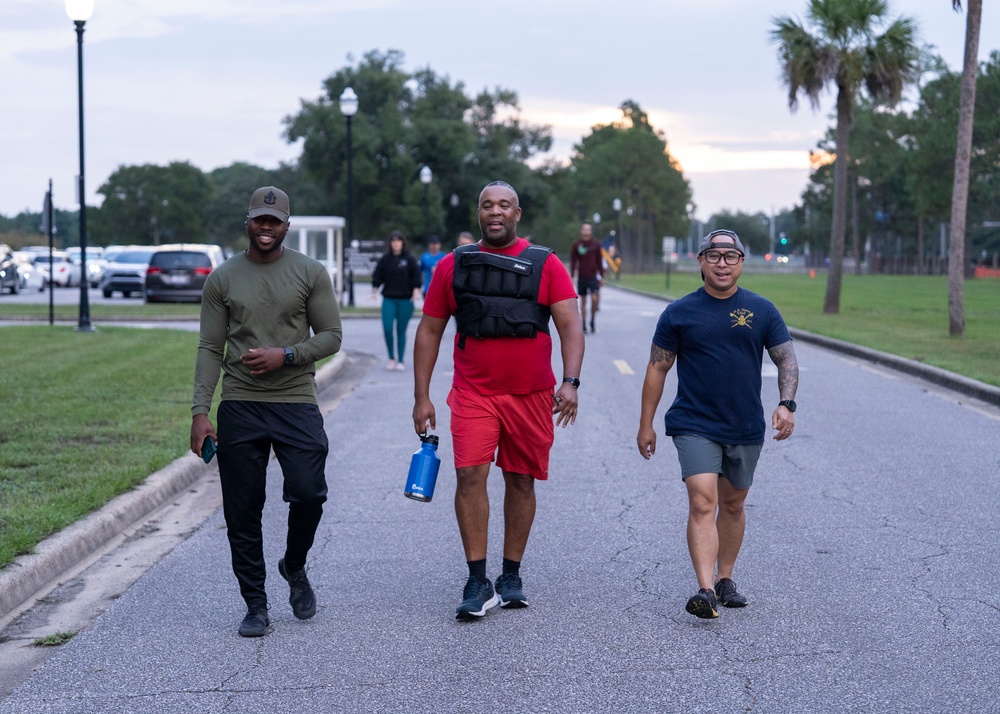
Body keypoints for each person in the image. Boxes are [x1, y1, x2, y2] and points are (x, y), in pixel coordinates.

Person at [412, 181, 585, 620]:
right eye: (487, 205)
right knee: (470, 475)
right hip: (473, 392)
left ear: (517, 213)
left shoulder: (546, 265)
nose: (495, 212)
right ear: (478, 213)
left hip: (532, 395)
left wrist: (571, 382)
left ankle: (511, 574)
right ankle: (476, 579)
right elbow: (430, 330)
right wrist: (422, 395)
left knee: (521, 481)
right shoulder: (452, 266)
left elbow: (570, 326)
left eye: (504, 205)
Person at [191, 186, 343, 637]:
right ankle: (255, 604)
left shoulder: (309, 272)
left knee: (309, 491)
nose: (266, 227)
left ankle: (293, 564)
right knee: (242, 510)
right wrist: (201, 411)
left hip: (295, 399)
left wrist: (288, 355)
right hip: (240, 403)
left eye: (274, 221)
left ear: (286, 225)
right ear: (248, 222)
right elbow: (209, 347)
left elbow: (331, 335)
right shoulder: (222, 278)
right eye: (259, 219)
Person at [635, 229, 798, 620]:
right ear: (701, 262)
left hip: (744, 424)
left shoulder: (762, 309)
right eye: (713, 256)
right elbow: (658, 367)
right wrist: (646, 424)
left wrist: (786, 403)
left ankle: (726, 580)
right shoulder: (679, 312)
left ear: (741, 262)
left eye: (730, 256)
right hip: (693, 422)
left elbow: (786, 360)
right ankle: (705, 589)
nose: (721, 263)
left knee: (733, 504)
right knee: (702, 501)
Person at [371, 230, 422, 371]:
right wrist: (375, 290)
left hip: (405, 299)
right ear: (390, 243)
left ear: (402, 243)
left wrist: (415, 291)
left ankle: (400, 359)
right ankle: (391, 357)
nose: (396, 243)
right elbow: (377, 276)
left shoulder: (409, 259)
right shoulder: (385, 259)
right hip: (389, 298)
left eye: (398, 240)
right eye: (393, 240)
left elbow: (416, 278)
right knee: (387, 328)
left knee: (401, 330)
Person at [569, 222, 603, 333]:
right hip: (582, 277)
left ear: (591, 231)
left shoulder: (595, 244)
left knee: (594, 298)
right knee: (583, 301)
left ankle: (592, 319)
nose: (586, 231)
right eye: (585, 229)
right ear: (582, 231)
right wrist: (573, 276)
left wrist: (601, 276)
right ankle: (583, 323)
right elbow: (573, 261)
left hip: (593, 277)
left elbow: (599, 261)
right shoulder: (577, 244)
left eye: (588, 229)